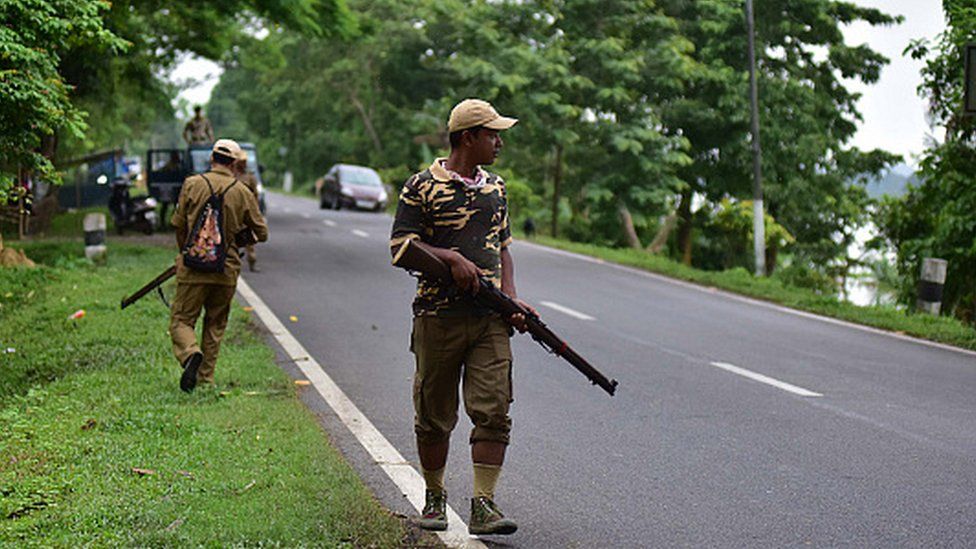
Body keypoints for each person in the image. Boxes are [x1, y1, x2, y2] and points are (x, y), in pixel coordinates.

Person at [390, 98, 536, 536]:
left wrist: (512, 300)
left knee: (494, 408)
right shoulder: (421, 186)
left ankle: (484, 505)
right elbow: (401, 247)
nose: (499, 142)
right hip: (438, 317)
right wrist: (449, 258)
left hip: (490, 320)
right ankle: (434, 500)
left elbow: (504, 249)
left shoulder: (496, 188)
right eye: (492, 134)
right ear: (467, 137)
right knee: (434, 412)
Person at [169, 139, 268, 392]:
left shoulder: (193, 184)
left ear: (211, 158)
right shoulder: (242, 191)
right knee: (215, 324)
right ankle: (205, 380)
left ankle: (190, 353)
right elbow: (262, 232)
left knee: (181, 320)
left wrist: (184, 254)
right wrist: (239, 236)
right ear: (234, 163)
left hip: (193, 268)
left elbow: (179, 225)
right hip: (226, 269)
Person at [232, 148, 262, 272]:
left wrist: (255, 212)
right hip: (233, 212)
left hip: (246, 212)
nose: (244, 164)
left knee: (249, 241)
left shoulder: (250, 177)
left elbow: (255, 195)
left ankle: (252, 263)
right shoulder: (231, 176)